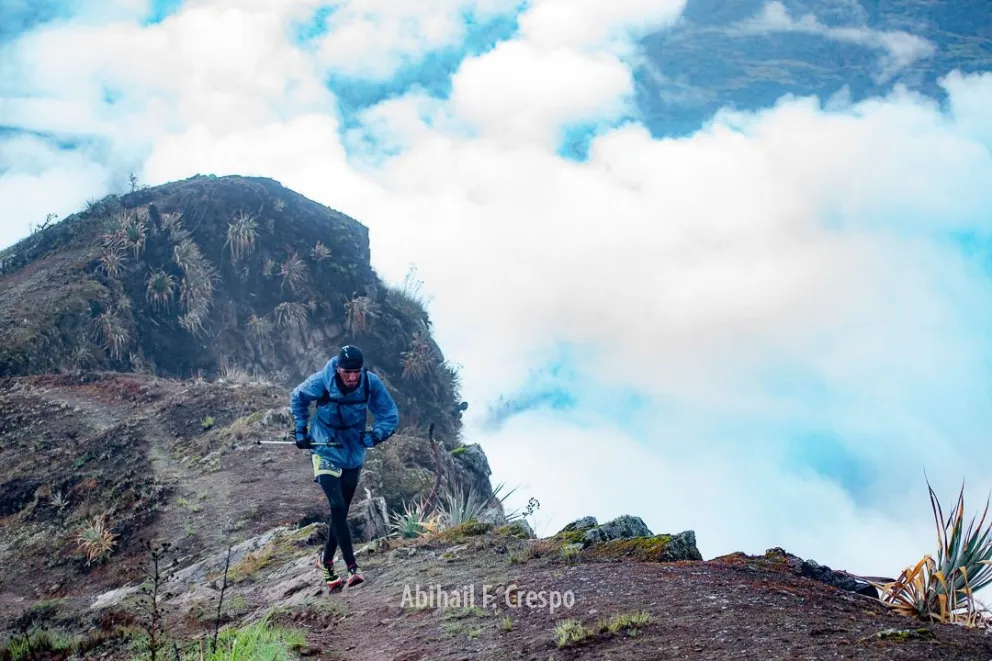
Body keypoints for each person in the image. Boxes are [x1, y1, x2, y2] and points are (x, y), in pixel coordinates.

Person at [290, 345, 399, 591]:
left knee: (341, 512)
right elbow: (298, 397)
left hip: (352, 450)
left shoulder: (370, 383)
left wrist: (377, 435)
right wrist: (300, 430)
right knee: (337, 505)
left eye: (356, 372)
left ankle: (325, 559)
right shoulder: (322, 381)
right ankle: (352, 567)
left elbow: (389, 414)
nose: (352, 377)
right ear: (338, 369)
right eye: (347, 372)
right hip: (324, 447)